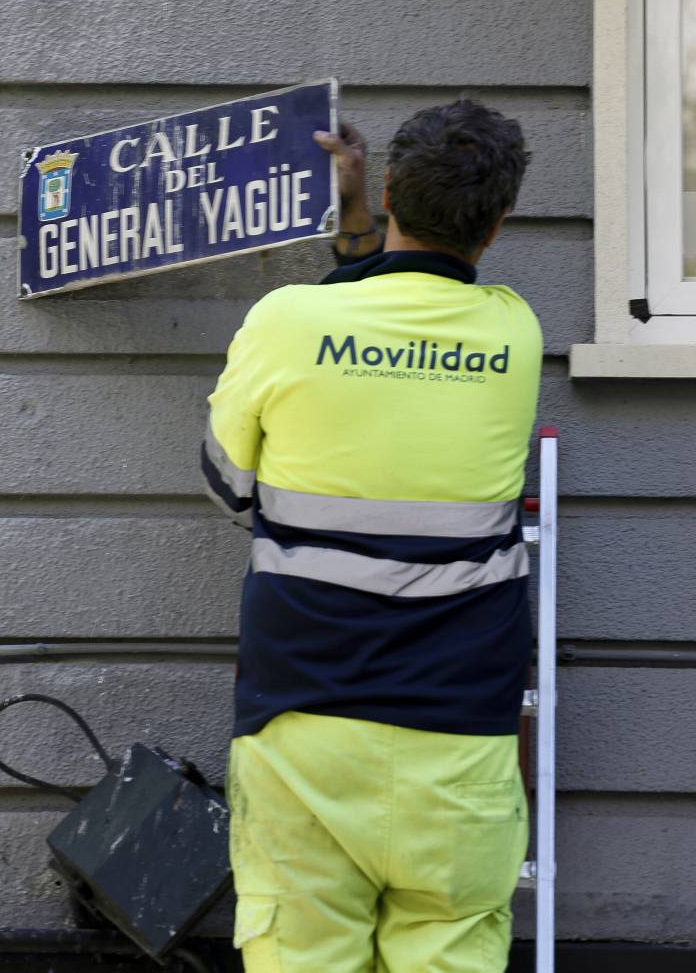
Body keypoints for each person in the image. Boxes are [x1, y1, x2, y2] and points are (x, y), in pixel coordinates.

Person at [201, 99, 543, 973]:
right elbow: (402, 311)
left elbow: (227, 486)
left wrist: (353, 225)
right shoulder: (514, 332)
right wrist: (367, 233)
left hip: (303, 725)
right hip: (459, 737)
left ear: (390, 190)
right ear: (498, 223)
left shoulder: (285, 321)